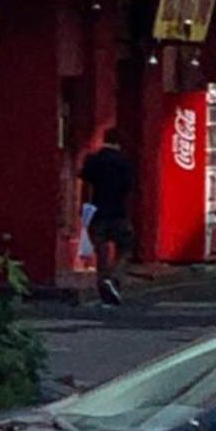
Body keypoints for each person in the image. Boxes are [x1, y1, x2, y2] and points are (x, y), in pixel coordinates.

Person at [80, 128, 134, 307]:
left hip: (97, 212)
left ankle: (104, 284)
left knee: (100, 252)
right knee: (125, 247)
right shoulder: (124, 163)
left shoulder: (94, 160)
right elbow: (130, 189)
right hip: (118, 212)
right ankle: (114, 277)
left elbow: (84, 182)